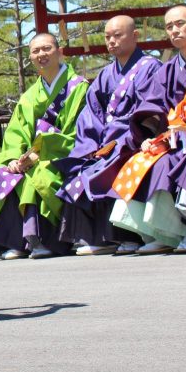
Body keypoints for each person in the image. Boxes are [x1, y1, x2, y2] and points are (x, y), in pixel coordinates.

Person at [0, 34, 89, 259]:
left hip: (62, 155)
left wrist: (39, 153)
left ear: (60, 51)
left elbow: (77, 132)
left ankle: (43, 240)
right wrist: (13, 159)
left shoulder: (78, 88)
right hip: (31, 156)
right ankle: (18, 240)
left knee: (39, 174)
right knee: (4, 175)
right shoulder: (29, 96)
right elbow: (16, 133)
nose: (41, 55)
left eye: (46, 49)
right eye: (35, 51)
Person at [54, 16, 158, 255]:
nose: (112, 41)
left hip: (132, 139)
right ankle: (96, 238)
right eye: (107, 37)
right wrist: (90, 145)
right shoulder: (105, 74)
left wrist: (125, 138)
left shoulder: (150, 67)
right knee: (81, 166)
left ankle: (127, 236)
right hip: (105, 141)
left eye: (118, 35)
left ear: (135, 36)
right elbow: (91, 114)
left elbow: (150, 110)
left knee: (109, 166)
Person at [110, 5, 186, 253]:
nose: (174, 30)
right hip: (174, 138)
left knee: (180, 162)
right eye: (169, 27)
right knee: (146, 159)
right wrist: (149, 138)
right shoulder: (168, 69)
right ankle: (163, 233)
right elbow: (151, 107)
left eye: (180, 24)